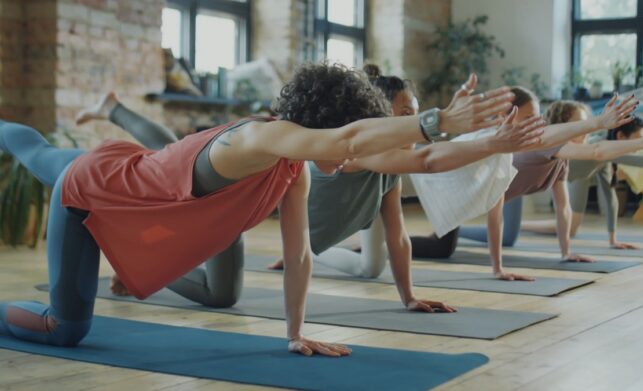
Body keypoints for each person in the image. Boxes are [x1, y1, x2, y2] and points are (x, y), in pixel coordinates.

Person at [0, 63, 518, 356]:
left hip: (121, 170)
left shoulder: (290, 170)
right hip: (89, 194)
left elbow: (300, 257)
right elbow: (353, 136)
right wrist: (437, 119)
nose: (353, 156)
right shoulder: (258, 138)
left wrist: (295, 334)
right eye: (344, 144)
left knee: (39, 150)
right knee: (65, 331)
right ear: (320, 130)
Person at [80, 64, 544, 313]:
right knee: (171, 162)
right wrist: (466, 132)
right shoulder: (353, 145)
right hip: (205, 182)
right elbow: (426, 155)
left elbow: (401, 221)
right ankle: (112, 114)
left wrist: (406, 298)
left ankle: (133, 264)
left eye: (410, 113)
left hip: (235, 212)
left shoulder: (346, 159)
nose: (404, 121)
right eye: (401, 113)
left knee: (220, 291)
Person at [410, 87, 643, 281]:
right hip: (442, 186)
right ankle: (382, 244)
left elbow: (563, 207)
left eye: (536, 118)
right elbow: (595, 152)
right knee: (444, 247)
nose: (534, 124)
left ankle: (387, 243)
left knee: (449, 245)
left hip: (485, 193)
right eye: (528, 118)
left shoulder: (552, 154)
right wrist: (497, 269)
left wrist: (566, 252)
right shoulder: (532, 143)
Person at [521, 110, 643, 248]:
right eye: (640, 139)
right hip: (545, 171)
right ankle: (518, 225)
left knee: (571, 228)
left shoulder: (606, 158)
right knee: (569, 225)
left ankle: (522, 226)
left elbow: (609, 195)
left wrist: (613, 239)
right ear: (620, 137)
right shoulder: (605, 150)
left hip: (577, 175)